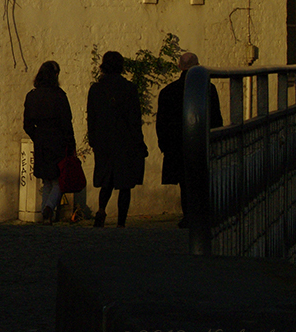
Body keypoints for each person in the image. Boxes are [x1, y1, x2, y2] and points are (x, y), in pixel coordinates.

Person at [155, 52, 222, 228]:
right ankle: (201, 214)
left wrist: (164, 145)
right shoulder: (208, 89)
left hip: (177, 145)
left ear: (179, 67)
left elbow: (161, 122)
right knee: (201, 179)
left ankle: (188, 215)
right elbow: (216, 118)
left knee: (185, 182)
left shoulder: (168, 91)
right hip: (201, 142)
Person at [86, 51, 146, 228]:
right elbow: (134, 119)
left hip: (103, 141)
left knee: (107, 180)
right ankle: (121, 222)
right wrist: (138, 141)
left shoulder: (96, 89)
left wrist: (93, 140)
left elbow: (92, 117)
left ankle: (102, 210)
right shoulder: (129, 88)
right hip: (124, 141)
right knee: (125, 183)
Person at [23, 60, 76, 224]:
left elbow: (27, 124)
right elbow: (67, 122)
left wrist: (37, 136)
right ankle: (49, 207)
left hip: (41, 141)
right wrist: (71, 144)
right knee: (59, 179)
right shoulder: (59, 95)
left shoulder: (32, 96)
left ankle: (46, 212)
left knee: (46, 180)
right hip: (58, 140)